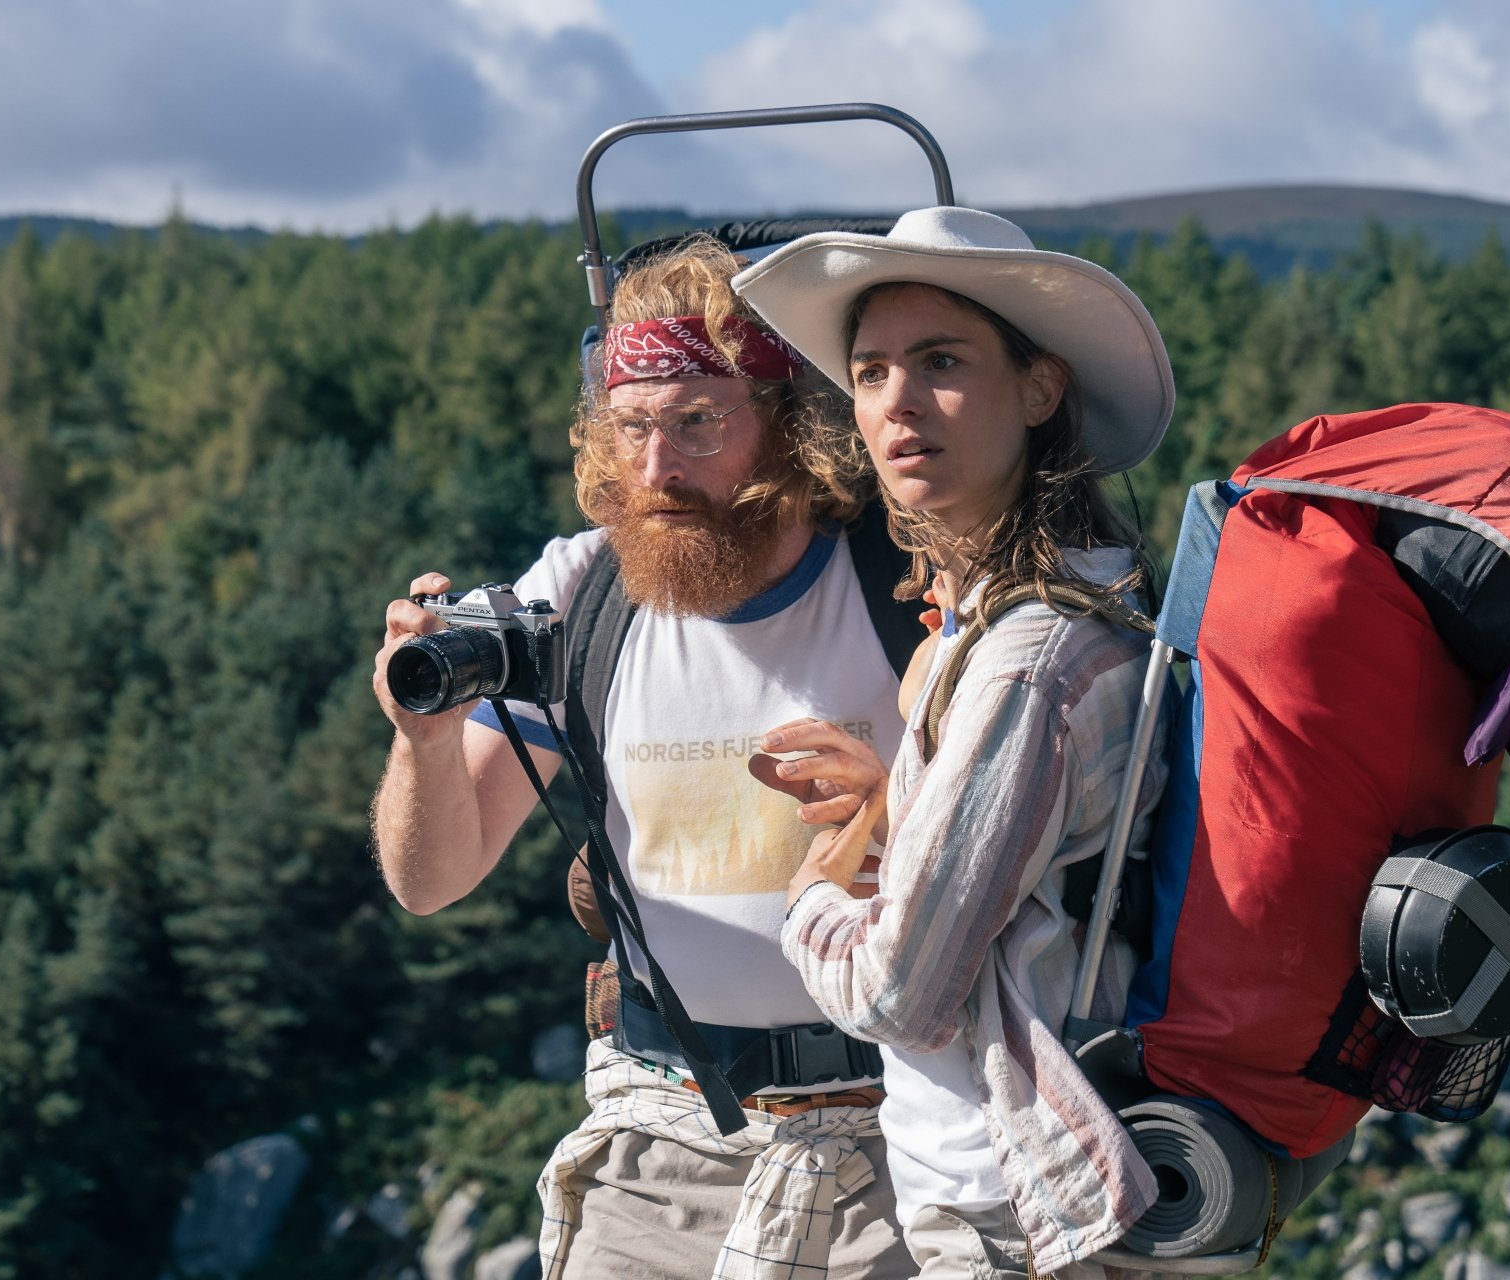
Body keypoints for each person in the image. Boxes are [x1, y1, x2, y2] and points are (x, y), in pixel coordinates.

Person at [369, 237, 918, 1280]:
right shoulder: (584, 594)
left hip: (898, 1125)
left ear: (789, 420)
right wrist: (426, 741)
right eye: (632, 428)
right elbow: (429, 878)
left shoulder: (901, 584)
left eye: (699, 422)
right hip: (658, 1132)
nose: (658, 468)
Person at [732, 207, 1177, 1277]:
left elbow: (901, 994)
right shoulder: (1042, 623)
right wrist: (900, 804)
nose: (897, 404)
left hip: (1010, 1211)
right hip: (1016, 1195)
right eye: (873, 371)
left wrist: (809, 897)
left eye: (942, 361)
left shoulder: (1027, 660)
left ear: (1039, 389)